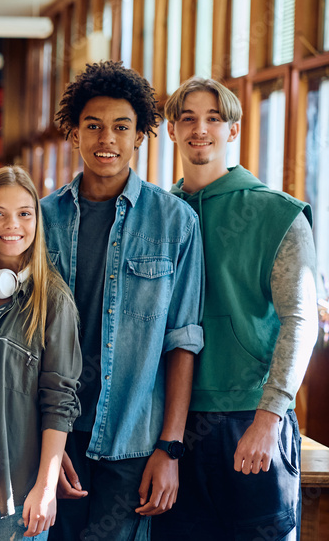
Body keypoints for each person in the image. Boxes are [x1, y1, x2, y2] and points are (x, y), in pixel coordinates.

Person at [42, 61, 205, 541]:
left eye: (121, 127)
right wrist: (43, 441)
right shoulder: (43, 220)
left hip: (133, 442)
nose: (105, 138)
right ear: (74, 135)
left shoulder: (176, 223)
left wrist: (170, 450)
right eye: (92, 126)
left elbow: (183, 340)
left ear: (140, 136)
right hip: (58, 436)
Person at [153, 77, 318, 540]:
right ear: (171, 130)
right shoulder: (158, 214)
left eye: (213, 118)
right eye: (187, 118)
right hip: (170, 422)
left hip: (250, 416)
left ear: (234, 130)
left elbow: (300, 321)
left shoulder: (276, 213)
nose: (199, 129)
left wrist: (270, 418)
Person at [0, 166, 81, 541]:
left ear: (36, 221)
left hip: (14, 485)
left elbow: (60, 400)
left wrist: (45, 485)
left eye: (24, 213)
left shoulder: (53, 301)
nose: (12, 225)